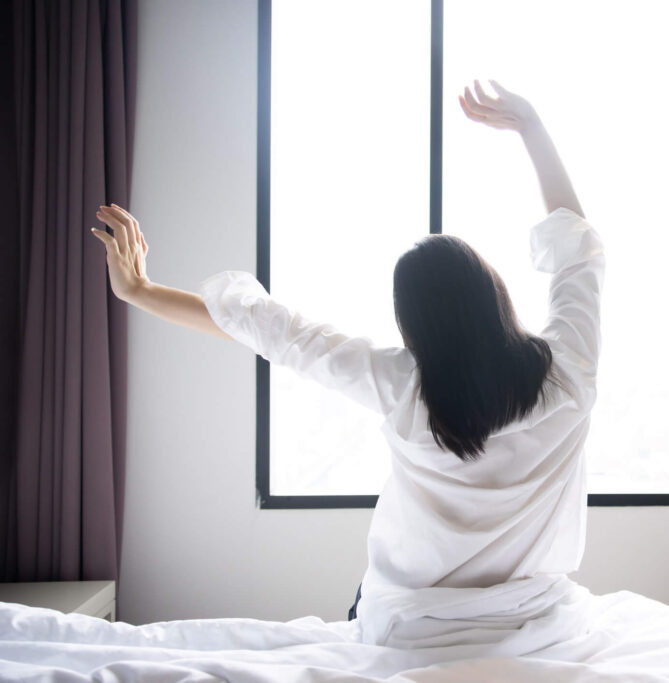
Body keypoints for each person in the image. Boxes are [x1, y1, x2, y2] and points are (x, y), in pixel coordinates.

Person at [90, 81, 604, 649]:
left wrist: (138, 290)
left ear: (415, 331)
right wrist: (531, 126)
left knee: (365, 605)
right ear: (493, 293)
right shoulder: (568, 376)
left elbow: (274, 330)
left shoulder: (403, 386)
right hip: (533, 619)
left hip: (407, 626)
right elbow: (580, 252)